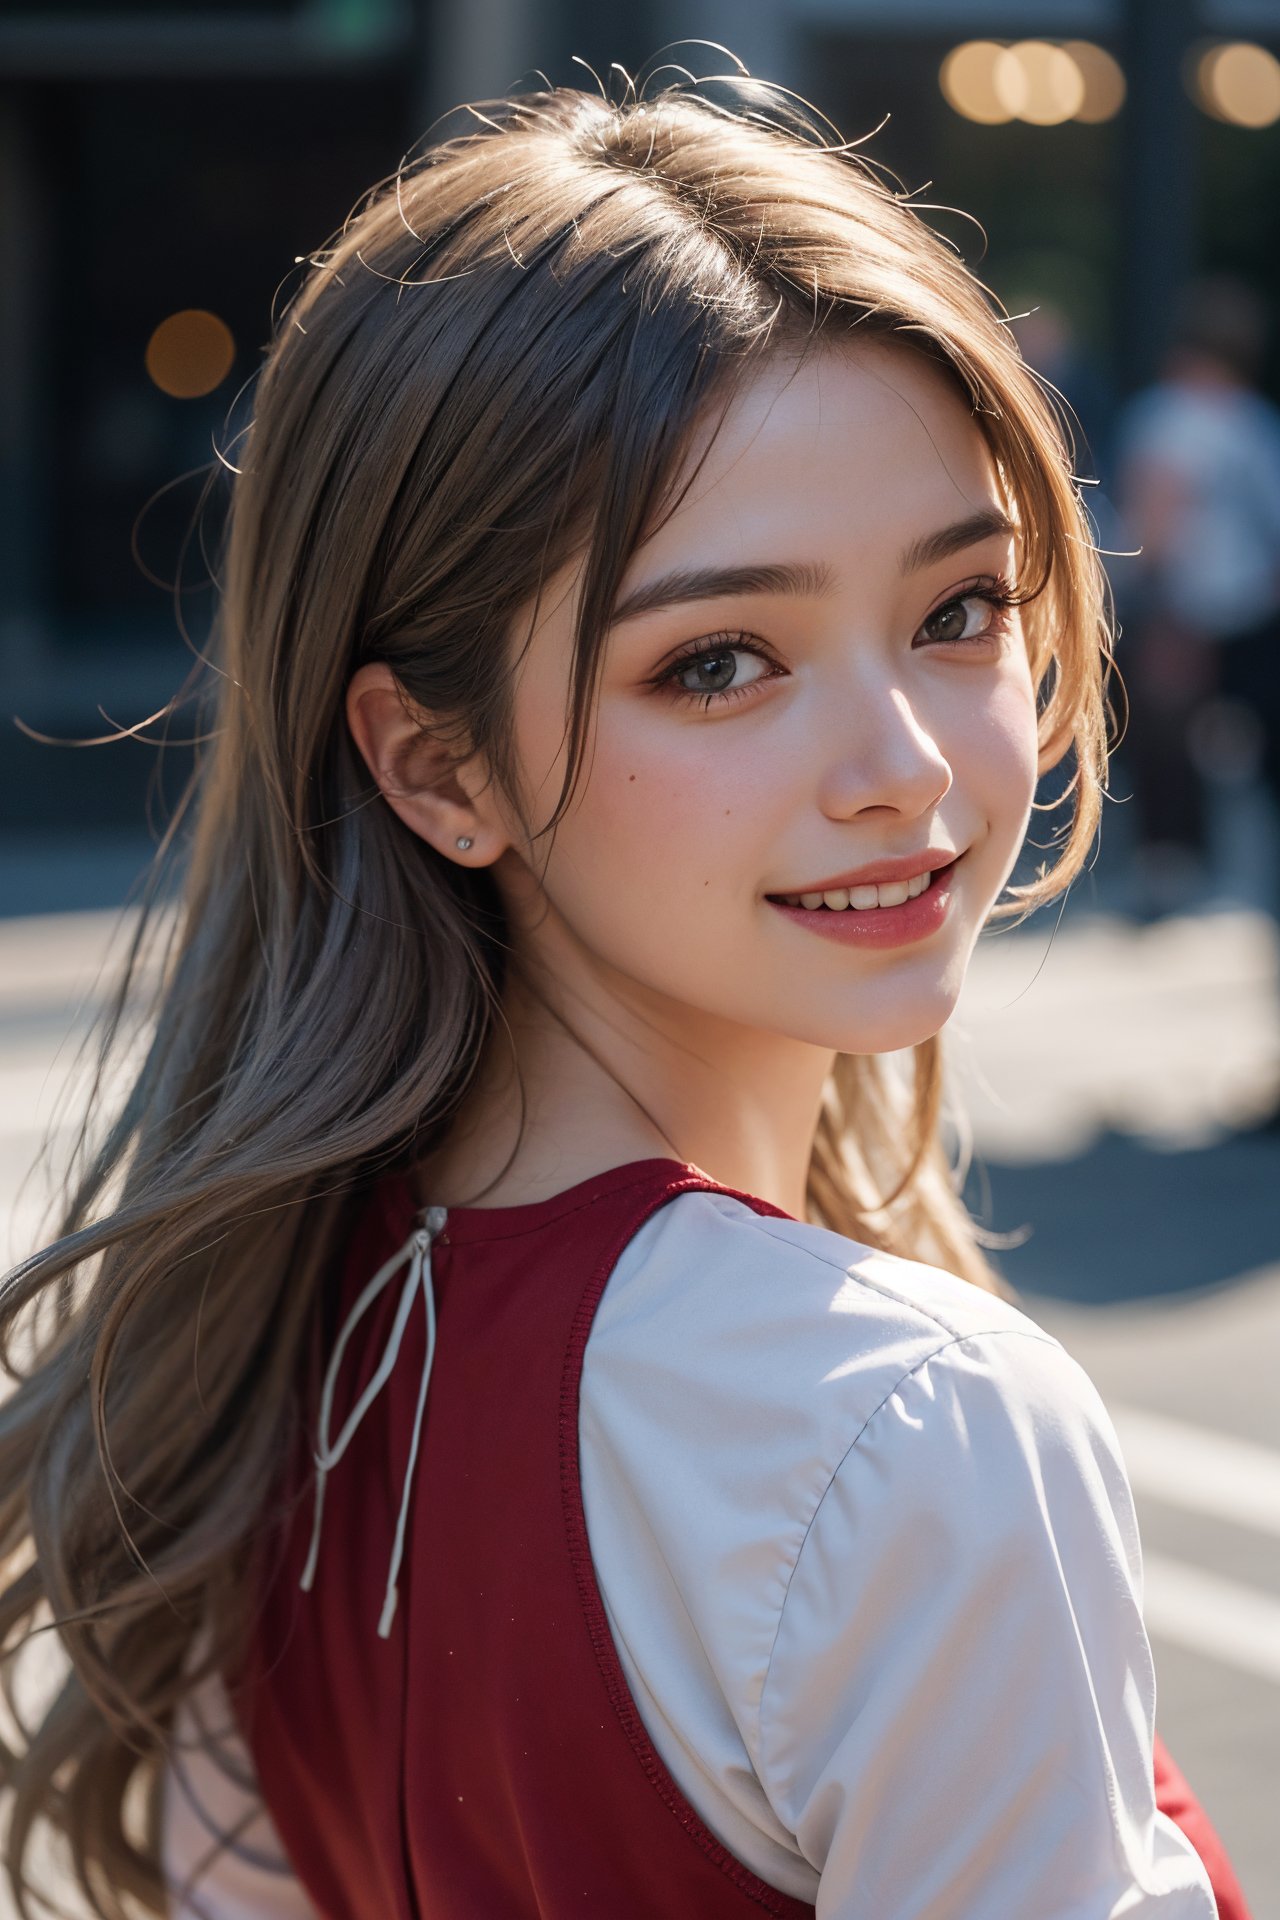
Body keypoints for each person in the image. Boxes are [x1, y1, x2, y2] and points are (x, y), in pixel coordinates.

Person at [0, 76, 1250, 1920]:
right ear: (438, 767)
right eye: (723, 661)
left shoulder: (237, 1355)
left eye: (960, 609)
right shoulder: (907, 1428)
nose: (903, 764)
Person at [1114, 276, 1280, 918]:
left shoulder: (1170, 416)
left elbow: (1156, 522)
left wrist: (1135, 586)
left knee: (1166, 742)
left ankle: (1171, 870)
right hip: (1254, 612)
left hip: (1183, 609)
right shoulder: (1257, 423)